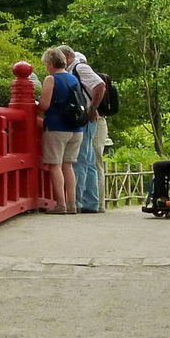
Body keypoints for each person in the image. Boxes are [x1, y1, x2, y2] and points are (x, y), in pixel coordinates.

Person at [35, 46, 85, 214]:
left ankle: (61, 204)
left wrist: (36, 105)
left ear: (50, 63)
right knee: (68, 166)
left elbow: (44, 105)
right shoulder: (73, 78)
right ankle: (72, 204)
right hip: (76, 128)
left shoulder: (51, 79)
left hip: (57, 127)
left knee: (55, 166)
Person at [59, 46, 107, 213]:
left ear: (66, 55)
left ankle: (78, 202)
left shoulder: (80, 67)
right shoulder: (74, 70)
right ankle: (90, 202)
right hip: (85, 118)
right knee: (89, 160)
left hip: (85, 118)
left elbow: (99, 85)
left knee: (81, 158)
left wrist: (93, 108)